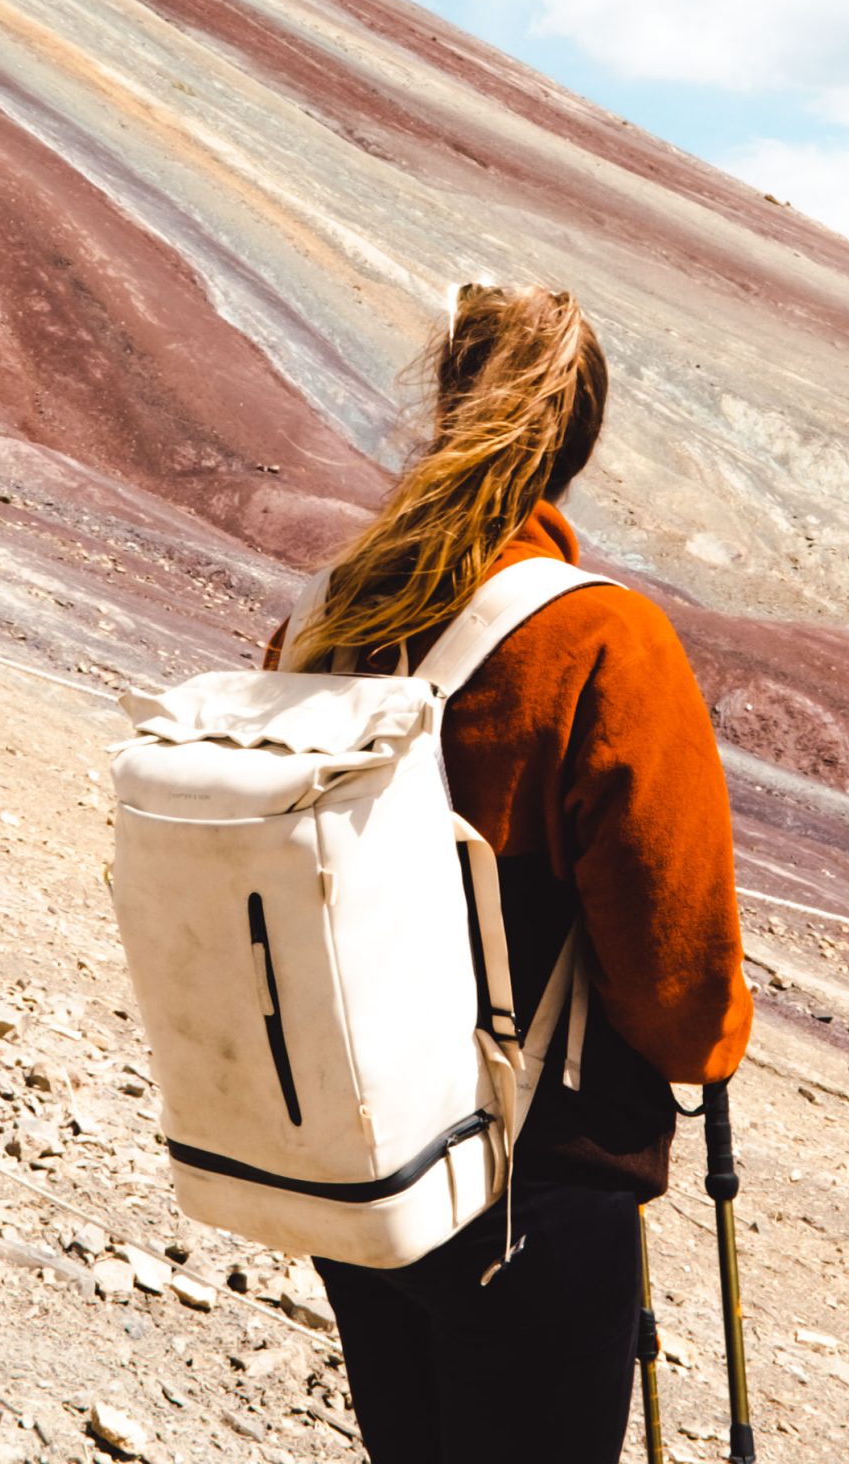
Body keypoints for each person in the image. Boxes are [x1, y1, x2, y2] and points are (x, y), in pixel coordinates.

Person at [274, 281, 751, 1464]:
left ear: (445, 413)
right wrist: (714, 1038)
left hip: (354, 1160)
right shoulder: (599, 640)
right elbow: (677, 980)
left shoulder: (329, 613)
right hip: (525, 1190)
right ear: (577, 440)